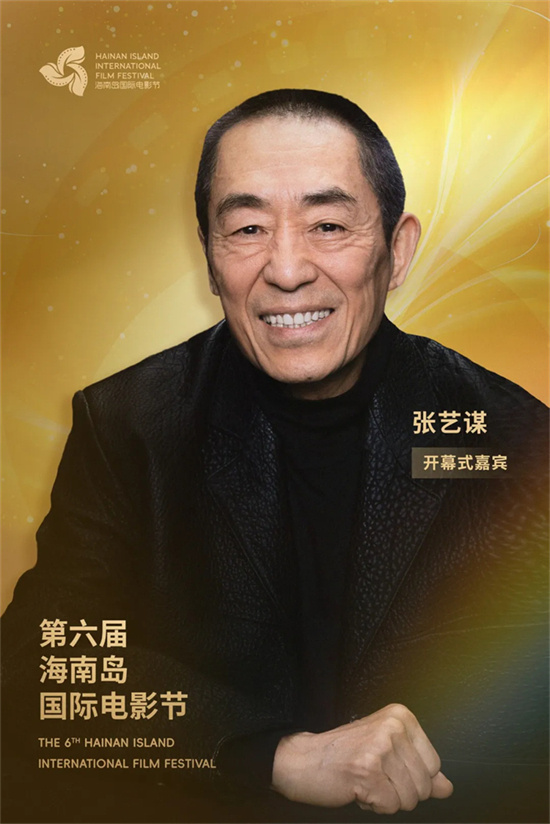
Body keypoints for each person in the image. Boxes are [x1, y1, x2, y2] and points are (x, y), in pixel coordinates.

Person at [2, 89, 548, 824]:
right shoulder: (129, 425)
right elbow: (39, 664)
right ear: (209, 256)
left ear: (398, 251)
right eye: (248, 229)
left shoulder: (514, 439)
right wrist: (276, 757)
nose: (286, 269)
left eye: (329, 225)